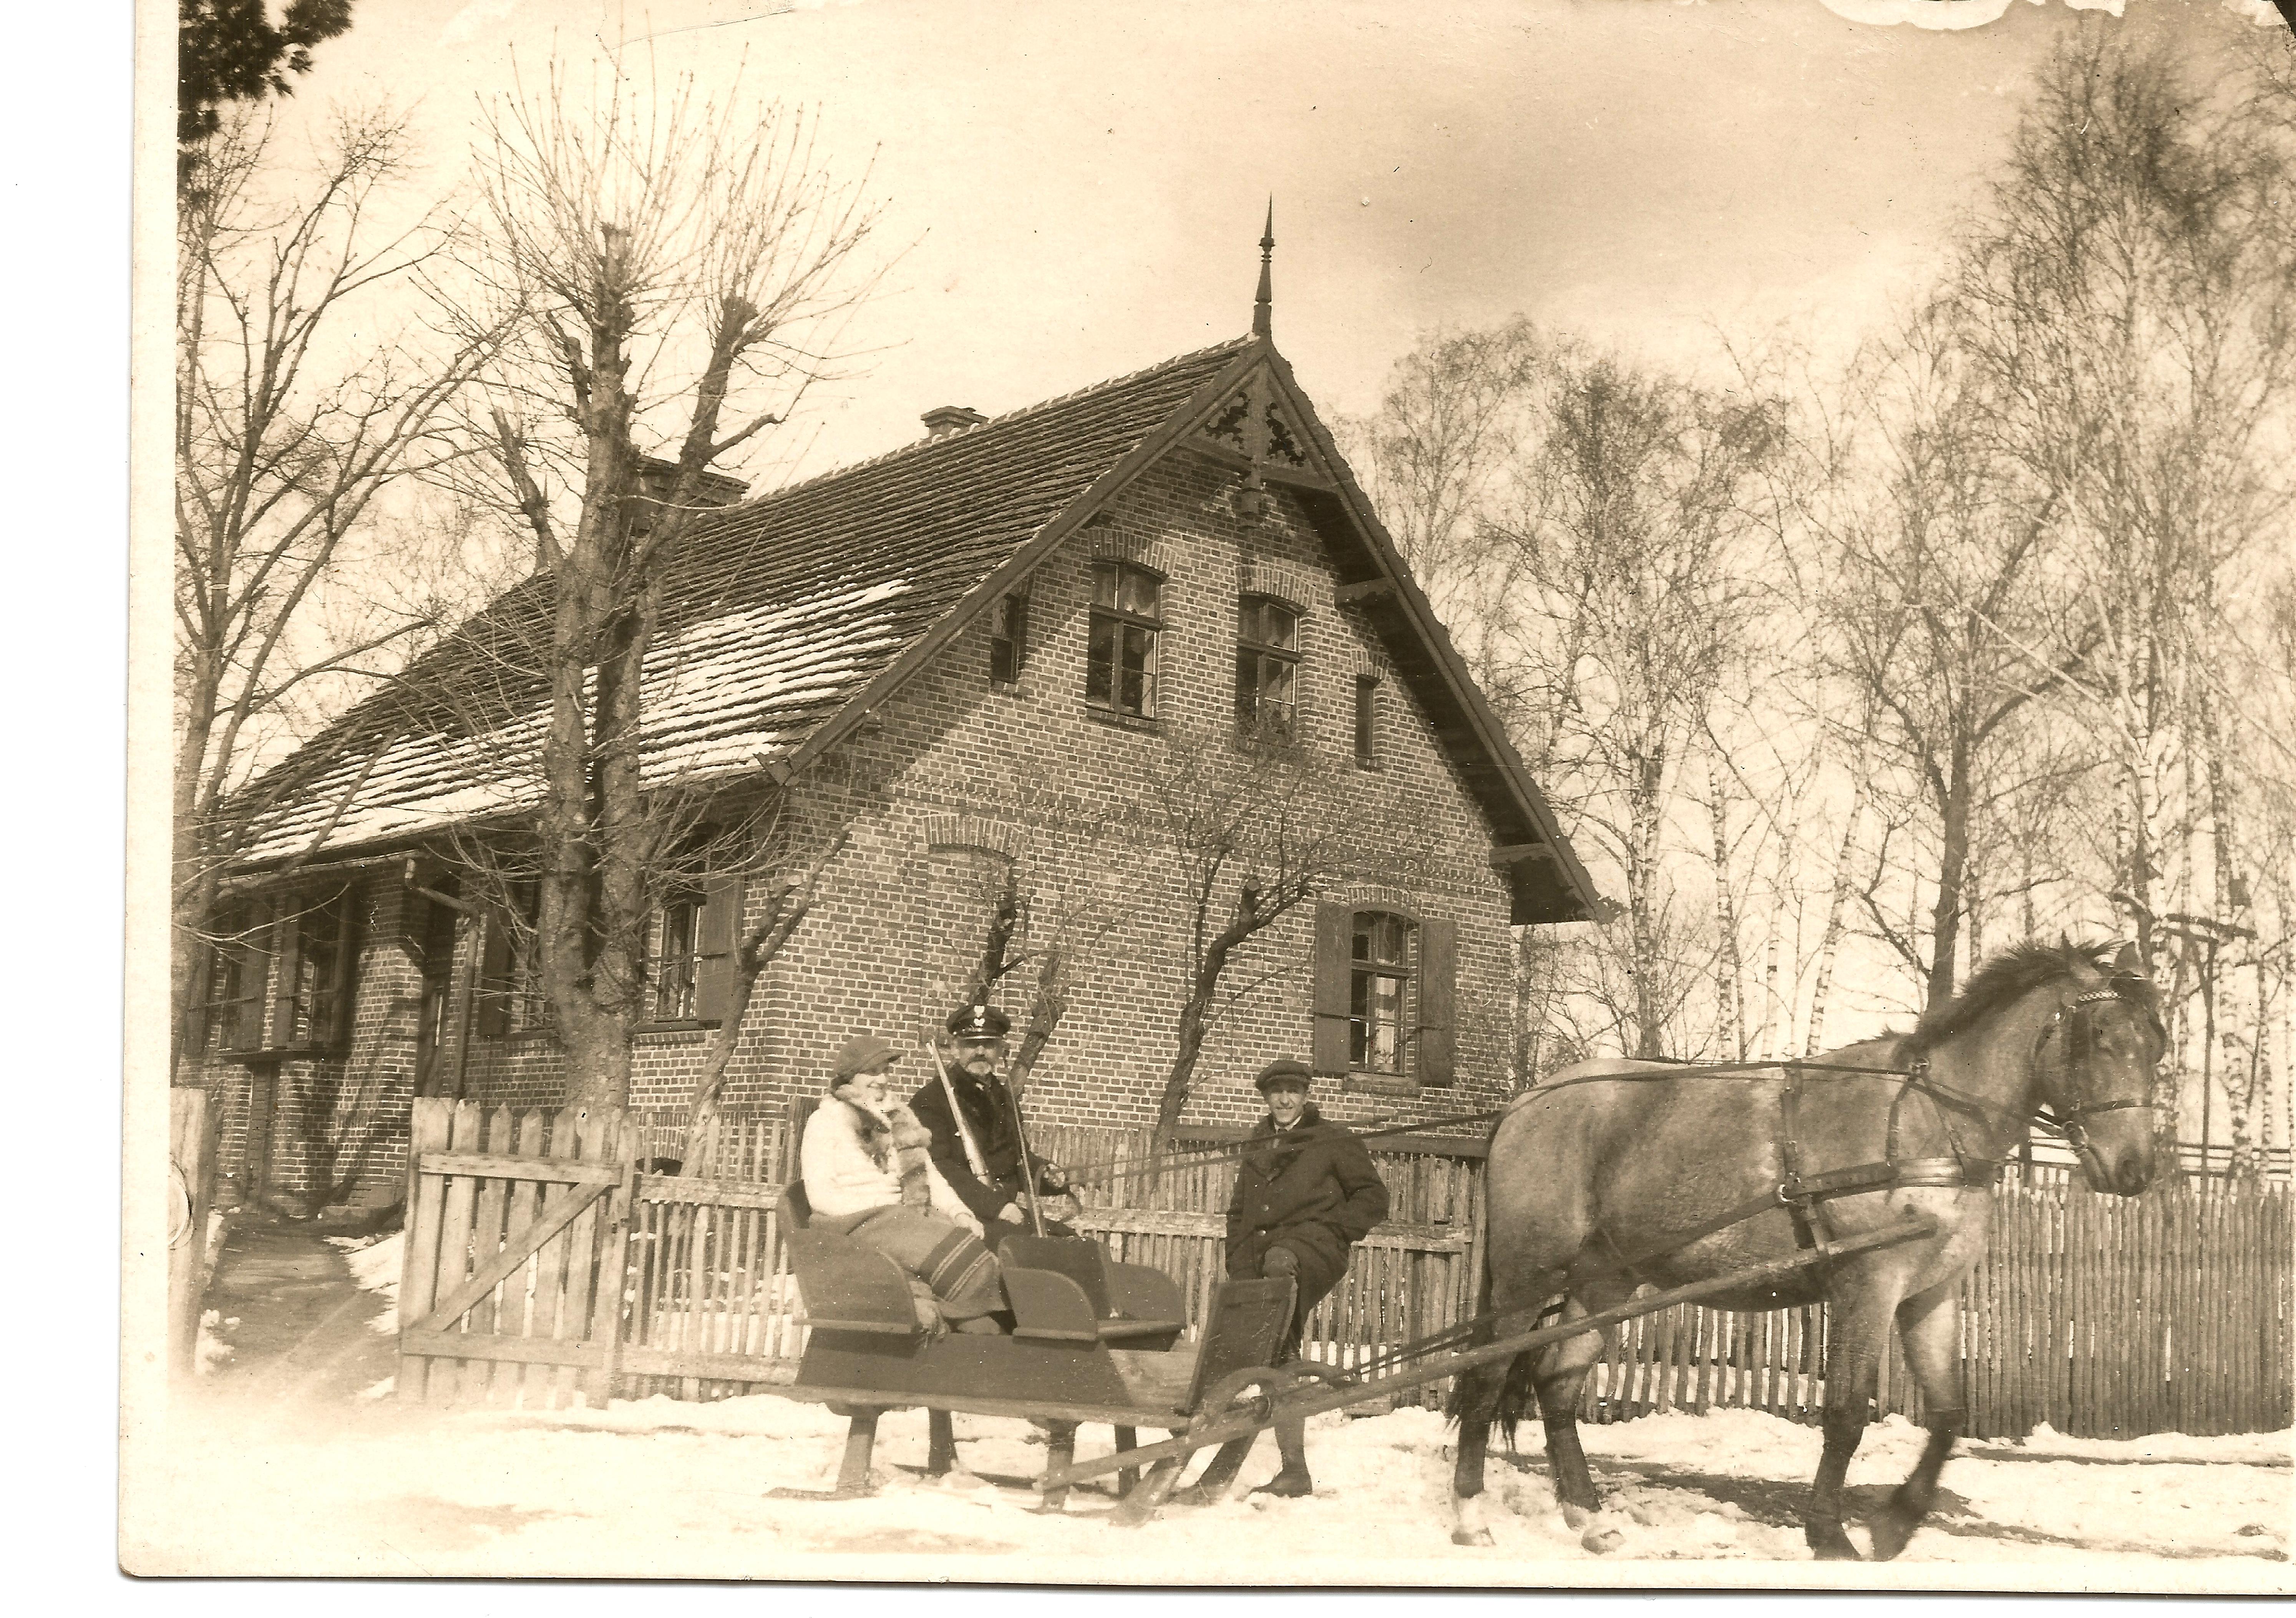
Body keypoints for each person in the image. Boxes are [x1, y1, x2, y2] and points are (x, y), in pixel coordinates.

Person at [1180, 1058, 1390, 1502]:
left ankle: (1283, 1458)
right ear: (1266, 1097)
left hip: (1314, 1250)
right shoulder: (1258, 1144)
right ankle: (1295, 1470)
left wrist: (1335, 1229)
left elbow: (1373, 1196)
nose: (1285, 1099)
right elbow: (1238, 1214)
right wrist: (1240, 1268)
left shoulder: (1333, 1139)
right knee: (1278, 1358)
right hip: (1264, 1263)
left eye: (1293, 1091)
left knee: (1280, 1263)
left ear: (1307, 1095)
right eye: (1277, 1092)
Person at [799, 1033, 1007, 1334]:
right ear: (849, 1079)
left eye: (886, 1070)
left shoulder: (896, 1119)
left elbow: (929, 1175)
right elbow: (820, 1196)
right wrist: (884, 1212)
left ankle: (973, 1322)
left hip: (897, 1220)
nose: (882, 1079)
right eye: (872, 1072)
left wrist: (959, 1212)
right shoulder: (827, 1122)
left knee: (974, 1269)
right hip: (852, 1225)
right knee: (957, 1256)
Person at [910, 1002, 1080, 1248]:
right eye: (971, 1045)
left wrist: (1048, 1175)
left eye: (989, 1045)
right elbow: (939, 1167)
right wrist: (997, 1207)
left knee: (1070, 1241)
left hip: (1004, 1213)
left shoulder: (1003, 1098)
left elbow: (1018, 1158)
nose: (980, 1052)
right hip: (958, 1214)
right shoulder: (931, 1100)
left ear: (1000, 1050)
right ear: (956, 1050)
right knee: (1030, 1251)